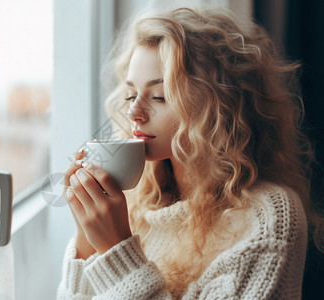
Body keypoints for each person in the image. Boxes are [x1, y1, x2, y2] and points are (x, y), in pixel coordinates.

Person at [57, 6, 322, 299]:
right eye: (131, 95)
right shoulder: (134, 205)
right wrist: (87, 241)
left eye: (160, 96)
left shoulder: (268, 217)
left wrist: (116, 250)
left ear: (216, 106)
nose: (134, 111)